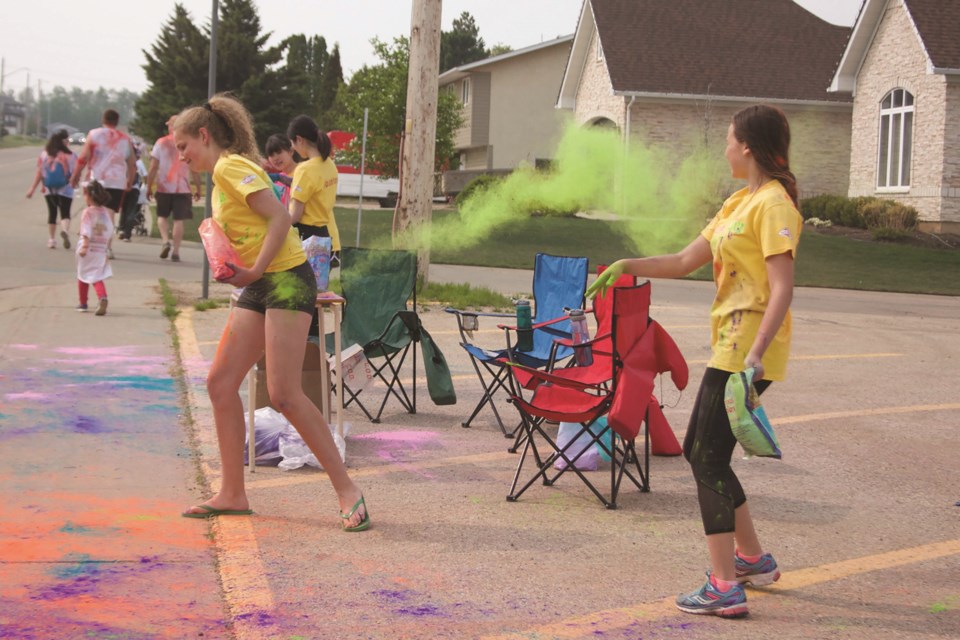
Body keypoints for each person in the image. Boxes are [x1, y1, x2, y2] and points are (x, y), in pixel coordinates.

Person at [587, 104, 802, 618]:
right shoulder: (737, 203)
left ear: (747, 145)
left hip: (746, 352)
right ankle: (751, 560)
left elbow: (782, 289)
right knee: (711, 456)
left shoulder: (773, 205)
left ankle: (725, 585)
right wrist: (625, 265)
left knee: (702, 456)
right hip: (731, 346)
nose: (724, 148)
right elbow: (685, 261)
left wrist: (753, 357)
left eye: (729, 139)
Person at [173, 94, 369, 531]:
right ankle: (232, 493)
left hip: (283, 280)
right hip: (259, 284)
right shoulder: (224, 173)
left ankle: (347, 491)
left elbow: (282, 219)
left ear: (204, 136)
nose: (181, 155)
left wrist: (254, 270)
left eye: (183, 145)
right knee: (221, 383)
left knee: (284, 394)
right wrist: (235, 266)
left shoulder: (229, 167)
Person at [70, 109, 136, 260]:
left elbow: (84, 157)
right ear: (117, 121)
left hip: (97, 179)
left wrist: (75, 174)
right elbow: (132, 163)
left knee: (93, 210)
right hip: (117, 180)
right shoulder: (125, 139)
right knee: (110, 213)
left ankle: (89, 242)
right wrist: (130, 181)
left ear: (103, 119)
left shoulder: (94, 134)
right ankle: (107, 247)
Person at [286, 115, 341, 268]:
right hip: (324, 235)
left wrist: (276, 226)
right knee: (319, 288)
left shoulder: (304, 169)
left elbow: (295, 215)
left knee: (302, 289)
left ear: (299, 139)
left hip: (306, 238)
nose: (293, 149)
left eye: (292, 144)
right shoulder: (330, 164)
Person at [146, 115, 202, 261]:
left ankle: (165, 241)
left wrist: (149, 185)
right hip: (182, 188)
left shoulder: (161, 143)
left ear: (171, 127)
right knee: (179, 220)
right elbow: (194, 169)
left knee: (162, 216)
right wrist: (198, 188)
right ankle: (176, 251)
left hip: (164, 187)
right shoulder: (187, 143)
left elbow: (153, 167)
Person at [26, 129, 77, 249]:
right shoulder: (71, 155)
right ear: (64, 141)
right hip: (66, 188)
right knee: (65, 212)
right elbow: (75, 172)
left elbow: (40, 172)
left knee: (52, 212)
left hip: (49, 188)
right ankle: (65, 230)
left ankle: (52, 240)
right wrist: (75, 182)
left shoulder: (44, 154)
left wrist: (32, 189)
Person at [75, 179, 114, 316]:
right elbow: (109, 229)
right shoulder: (105, 212)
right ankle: (102, 297)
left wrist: (85, 245)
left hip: (88, 247)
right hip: (100, 248)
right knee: (96, 275)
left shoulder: (88, 212)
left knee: (82, 274)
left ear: (89, 196)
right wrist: (105, 245)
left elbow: (86, 229)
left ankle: (83, 302)